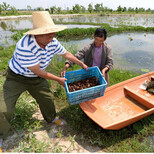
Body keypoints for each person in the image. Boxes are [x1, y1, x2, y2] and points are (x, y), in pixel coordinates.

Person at [0, 11, 88, 152]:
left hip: (36, 79)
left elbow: (66, 54)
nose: (52, 36)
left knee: (46, 98)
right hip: (17, 77)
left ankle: (51, 118)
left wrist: (81, 64)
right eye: (48, 33)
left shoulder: (52, 41)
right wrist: (58, 79)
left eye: (53, 32)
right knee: (4, 109)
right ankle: (2, 135)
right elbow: (38, 71)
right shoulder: (24, 46)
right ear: (36, 34)